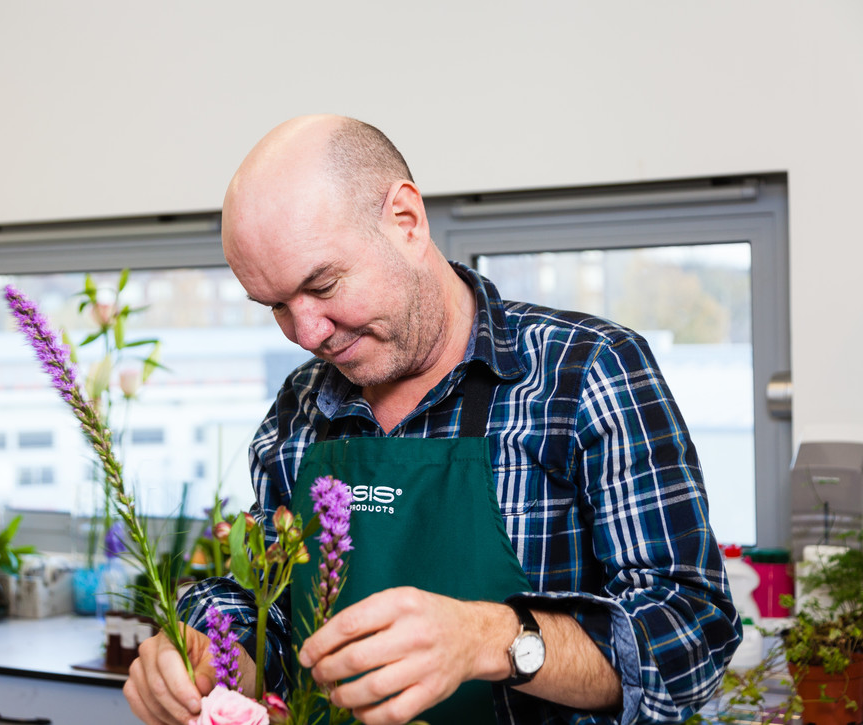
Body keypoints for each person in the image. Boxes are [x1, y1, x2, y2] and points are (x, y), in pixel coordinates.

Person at [124, 115, 740, 725]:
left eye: (325, 285)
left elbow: (693, 633)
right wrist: (204, 645)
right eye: (278, 306)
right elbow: (274, 612)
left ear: (406, 220)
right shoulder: (301, 408)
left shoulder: (584, 373)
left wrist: (490, 638)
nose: (307, 333)